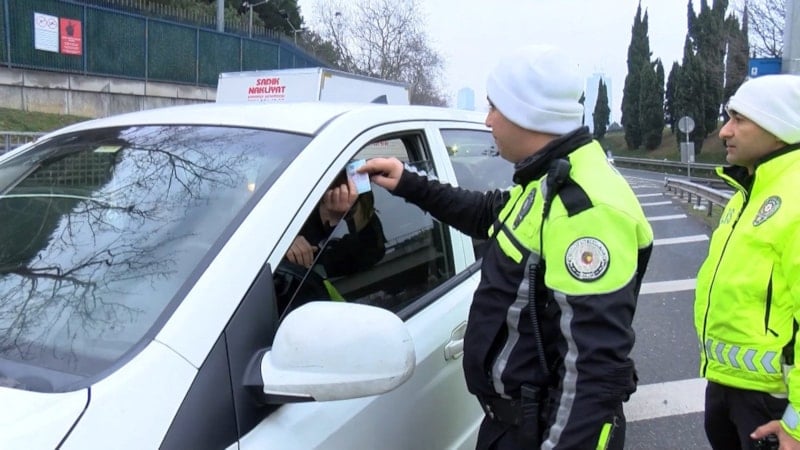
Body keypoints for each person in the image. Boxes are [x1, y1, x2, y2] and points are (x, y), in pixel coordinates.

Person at [359, 44, 653, 449]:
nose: (488, 120)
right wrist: (409, 182)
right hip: (513, 424)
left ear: (525, 113)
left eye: (494, 107)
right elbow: (489, 213)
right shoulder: (549, 179)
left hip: (538, 432)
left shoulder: (586, 211)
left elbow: (593, 372)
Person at [694, 74, 800, 450]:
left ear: (779, 127)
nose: (725, 131)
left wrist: (797, 425)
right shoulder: (747, 192)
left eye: (739, 119)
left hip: (775, 401)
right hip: (730, 386)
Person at [276, 170, 386, 313]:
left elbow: (372, 252)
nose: (340, 198)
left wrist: (342, 221)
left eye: (350, 211)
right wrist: (283, 245)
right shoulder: (289, 218)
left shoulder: (359, 248)